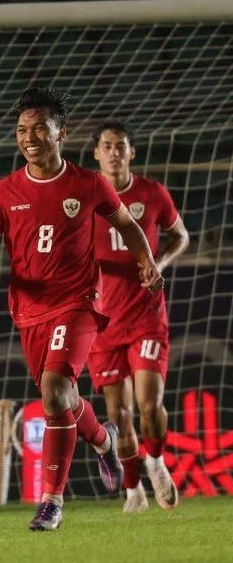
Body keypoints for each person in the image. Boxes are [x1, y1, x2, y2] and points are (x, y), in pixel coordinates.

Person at [0, 88, 164, 532]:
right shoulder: (5, 192)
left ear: (62, 131)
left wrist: (147, 263)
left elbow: (128, 225)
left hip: (79, 304)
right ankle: (104, 440)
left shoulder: (88, 183)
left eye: (40, 127)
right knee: (63, 398)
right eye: (22, 130)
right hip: (29, 311)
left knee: (55, 392)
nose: (30, 136)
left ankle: (51, 502)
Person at [87, 120, 188, 513]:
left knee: (149, 405)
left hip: (146, 316)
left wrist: (159, 262)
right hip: (103, 324)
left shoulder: (151, 193)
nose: (114, 152)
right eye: (107, 146)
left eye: (121, 146)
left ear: (132, 152)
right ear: (96, 153)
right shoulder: (85, 197)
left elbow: (181, 236)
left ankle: (157, 460)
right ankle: (133, 491)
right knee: (119, 415)